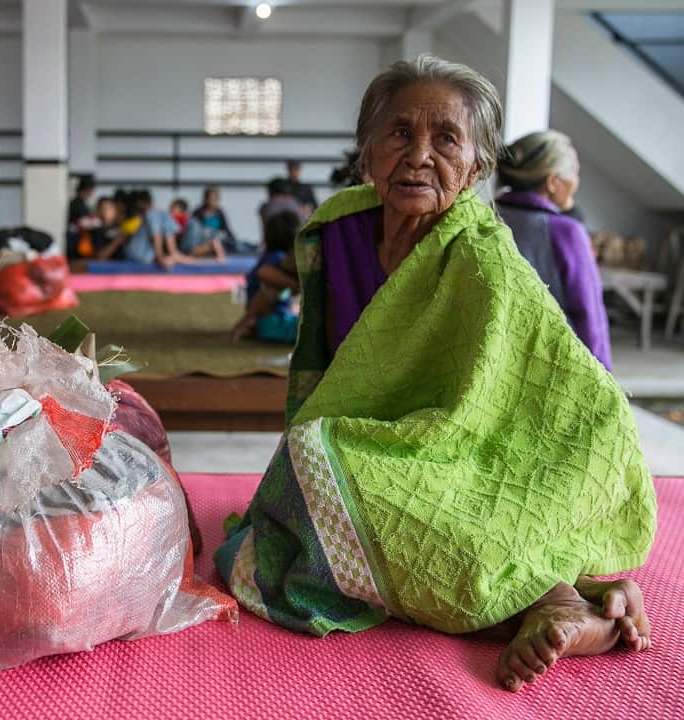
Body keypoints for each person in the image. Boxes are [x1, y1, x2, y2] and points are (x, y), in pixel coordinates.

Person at [216, 55, 654, 694]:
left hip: (507, 448)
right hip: (393, 441)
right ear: (366, 152)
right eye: (399, 133)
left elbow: (503, 406)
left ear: (476, 167)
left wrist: (427, 452)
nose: (420, 155)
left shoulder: (482, 257)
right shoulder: (338, 231)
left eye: (446, 139)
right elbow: (330, 362)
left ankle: (556, 598)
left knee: (343, 469)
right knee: (317, 459)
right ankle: (564, 594)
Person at [496, 130, 611, 369]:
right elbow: (590, 319)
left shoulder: (486, 216)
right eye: (575, 174)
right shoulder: (564, 231)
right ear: (552, 182)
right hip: (552, 366)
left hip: (496, 360)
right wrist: (605, 380)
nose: (576, 183)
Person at [235, 209, 301, 342]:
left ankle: (249, 324)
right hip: (272, 324)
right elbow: (263, 273)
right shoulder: (278, 257)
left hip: (268, 321)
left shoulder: (272, 257)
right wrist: (297, 285)